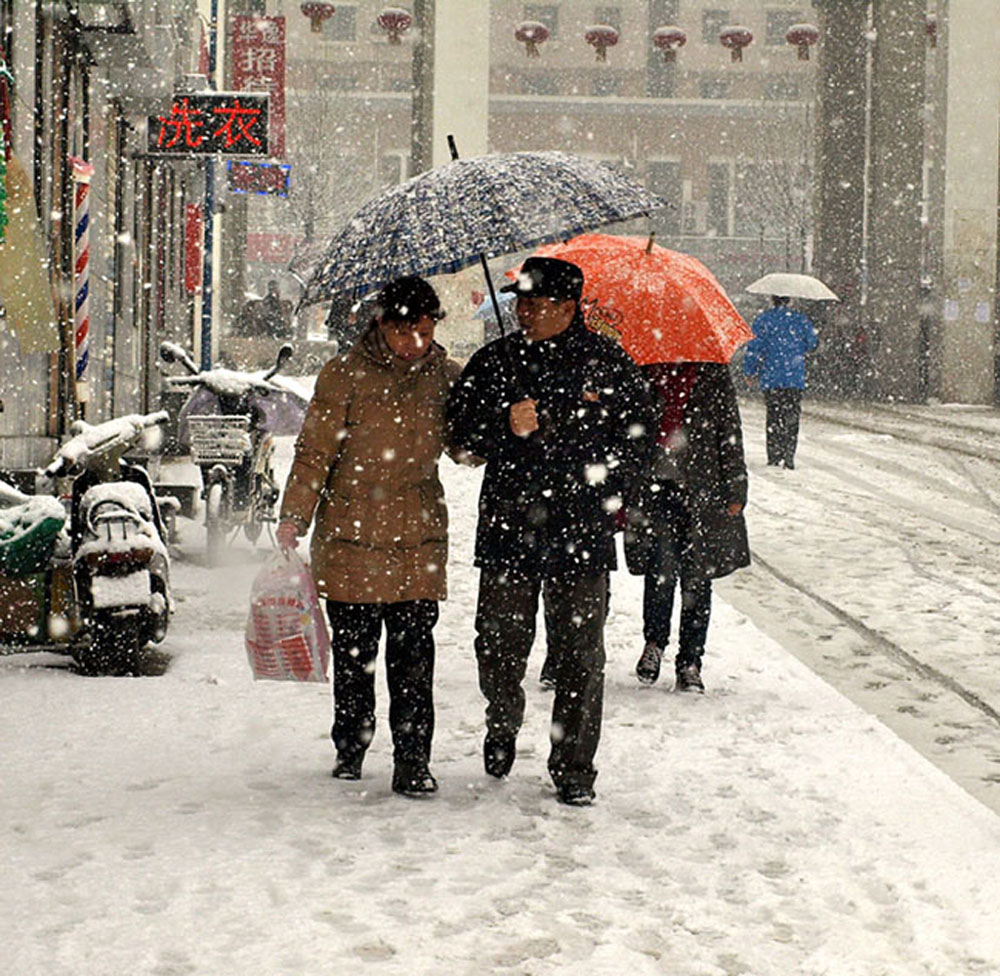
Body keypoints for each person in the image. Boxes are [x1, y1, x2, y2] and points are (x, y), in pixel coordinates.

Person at [446, 257, 656, 807]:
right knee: (497, 645)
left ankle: (574, 765)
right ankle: (502, 719)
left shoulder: (608, 365)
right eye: (519, 301)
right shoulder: (497, 361)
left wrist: (604, 477)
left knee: (581, 655)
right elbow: (459, 435)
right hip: (509, 528)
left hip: (580, 532)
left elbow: (640, 441)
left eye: (535, 303)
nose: (523, 312)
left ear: (568, 308)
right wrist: (504, 425)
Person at [275, 276, 461, 798]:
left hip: (418, 539)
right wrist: (295, 516)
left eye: (425, 332)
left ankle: (413, 759)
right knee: (357, 657)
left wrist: (493, 420)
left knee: (413, 659)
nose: (416, 344)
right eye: (406, 332)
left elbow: (466, 449)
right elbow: (314, 452)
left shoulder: (445, 377)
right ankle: (351, 746)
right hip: (351, 536)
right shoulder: (344, 376)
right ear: (382, 325)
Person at [625, 362, 750, 693]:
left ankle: (690, 661)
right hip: (656, 487)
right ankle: (654, 643)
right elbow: (629, 426)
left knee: (697, 576)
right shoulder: (646, 368)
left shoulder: (712, 372)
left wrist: (736, 486)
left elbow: (729, 430)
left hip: (701, 488)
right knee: (660, 567)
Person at [741, 295, 818, 469]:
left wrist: (750, 372)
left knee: (773, 416)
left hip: (771, 376)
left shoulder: (763, 320)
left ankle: (774, 456)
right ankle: (789, 455)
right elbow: (812, 343)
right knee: (792, 416)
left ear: (772, 299)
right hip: (794, 377)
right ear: (790, 300)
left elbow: (754, 349)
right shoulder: (800, 320)